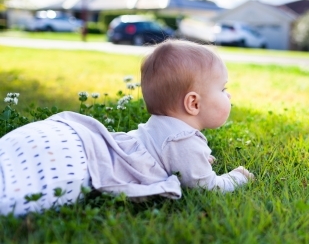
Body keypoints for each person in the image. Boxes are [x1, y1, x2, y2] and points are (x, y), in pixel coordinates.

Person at [0, 39, 254, 216]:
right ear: (193, 103)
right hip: (77, 158)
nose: (228, 96)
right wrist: (237, 177)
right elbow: (206, 187)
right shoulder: (183, 141)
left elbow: (171, 157)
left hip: (73, 137)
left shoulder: (165, 128)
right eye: (223, 89)